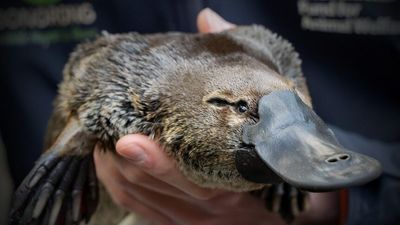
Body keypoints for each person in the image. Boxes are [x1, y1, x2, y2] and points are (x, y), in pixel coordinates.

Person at [1, 1, 399, 225]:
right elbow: (96, 78)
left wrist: (350, 203)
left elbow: (282, 56)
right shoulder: (139, 83)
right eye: (240, 108)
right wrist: (72, 148)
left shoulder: (267, 51)